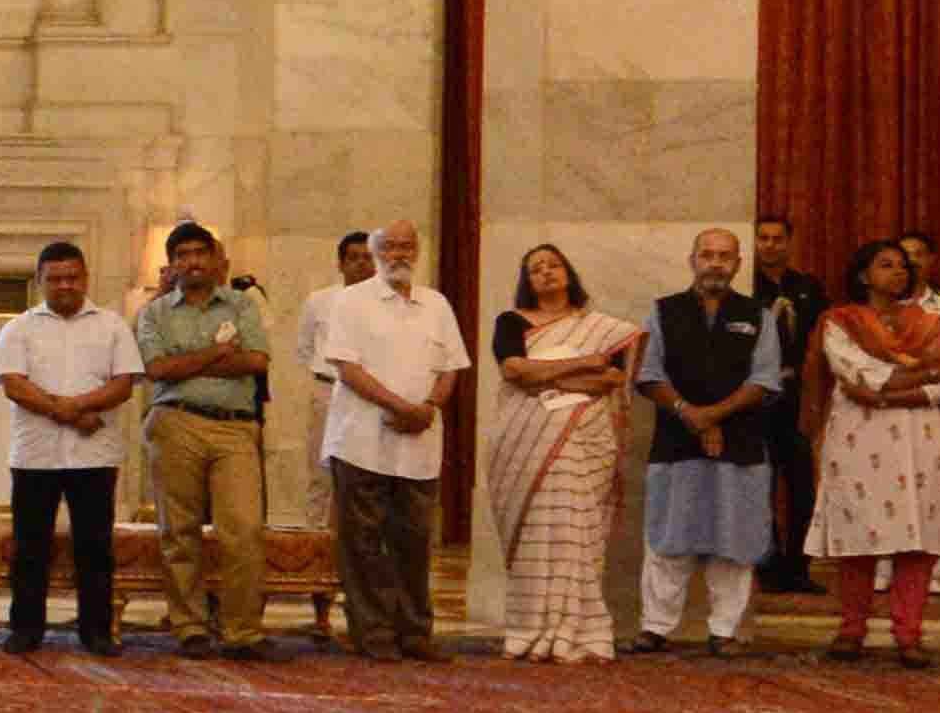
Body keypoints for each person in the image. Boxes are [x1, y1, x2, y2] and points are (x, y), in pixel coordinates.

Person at [296, 222, 463, 659]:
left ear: (418, 251)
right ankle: (373, 635)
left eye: (407, 245)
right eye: (389, 247)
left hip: (421, 441)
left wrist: (427, 406)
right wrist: (400, 407)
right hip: (361, 440)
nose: (399, 254)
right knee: (363, 544)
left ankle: (415, 635)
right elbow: (347, 369)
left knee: (414, 541)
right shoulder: (351, 301)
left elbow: (451, 367)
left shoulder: (437, 304)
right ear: (374, 254)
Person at [807, 235, 940, 662]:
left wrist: (890, 389)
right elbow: (856, 377)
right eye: (886, 265)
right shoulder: (841, 323)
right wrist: (922, 374)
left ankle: (908, 634)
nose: (898, 272)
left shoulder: (931, 321)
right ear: (864, 275)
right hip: (859, 437)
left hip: (920, 437)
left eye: (902, 265)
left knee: (917, 535)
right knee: (859, 531)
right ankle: (851, 629)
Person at [482, 246, 638, 661]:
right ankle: (530, 630)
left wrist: (546, 376)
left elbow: (609, 379)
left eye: (554, 265)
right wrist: (581, 364)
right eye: (536, 269)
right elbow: (513, 371)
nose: (547, 273)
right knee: (539, 530)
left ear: (569, 273)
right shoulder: (511, 322)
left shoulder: (604, 329)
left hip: (585, 438)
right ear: (527, 281)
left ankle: (580, 633)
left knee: (577, 531)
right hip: (526, 439)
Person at [0, 236, 140, 652]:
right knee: (30, 546)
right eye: (55, 279)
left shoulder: (112, 326)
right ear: (40, 281)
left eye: (72, 277)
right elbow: (14, 385)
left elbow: (123, 384)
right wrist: (69, 412)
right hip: (35, 455)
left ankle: (95, 631)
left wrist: (71, 405)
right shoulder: (18, 328)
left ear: (85, 278)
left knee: (94, 546)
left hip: (95, 455)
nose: (65, 286)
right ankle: (26, 629)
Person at [635, 230, 782, 654]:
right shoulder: (663, 312)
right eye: (707, 255)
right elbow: (648, 375)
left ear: (738, 264)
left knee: (734, 543)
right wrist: (690, 414)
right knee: (668, 539)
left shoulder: (758, 315)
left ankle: (724, 632)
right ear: (692, 260)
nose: (715, 263)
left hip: (741, 445)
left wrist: (712, 416)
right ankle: (655, 627)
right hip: (675, 443)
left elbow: (764, 379)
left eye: (725, 256)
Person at [134, 224, 274, 654]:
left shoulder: (242, 305)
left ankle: (242, 631)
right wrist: (217, 354)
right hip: (176, 422)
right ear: (172, 265)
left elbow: (255, 359)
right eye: (183, 255)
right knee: (179, 531)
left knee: (244, 529)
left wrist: (187, 363)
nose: (193, 261)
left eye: (200, 253)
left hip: (235, 427)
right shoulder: (155, 313)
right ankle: (189, 626)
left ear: (216, 260)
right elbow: (157, 370)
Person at [741, 209, 828, 594]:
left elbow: (824, 338)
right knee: (760, 483)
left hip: (797, 395)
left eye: (778, 238)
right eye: (763, 238)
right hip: (756, 397)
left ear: (789, 243)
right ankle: (768, 564)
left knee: (802, 486)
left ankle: (799, 566)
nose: (770, 245)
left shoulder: (807, 286)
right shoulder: (743, 288)